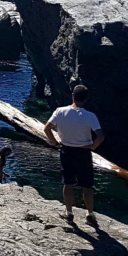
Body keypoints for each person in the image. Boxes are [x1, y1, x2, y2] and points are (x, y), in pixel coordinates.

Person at [44, 85, 104, 224]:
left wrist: (54, 143)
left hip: (67, 150)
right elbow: (100, 136)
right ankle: (89, 214)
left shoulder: (60, 112)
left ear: (73, 96)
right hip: (84, 152)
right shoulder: (90, 116)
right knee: (87, 185)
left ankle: (69, 213)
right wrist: (93, 146)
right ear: (86, 98)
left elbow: (47, 128)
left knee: (68, 182)